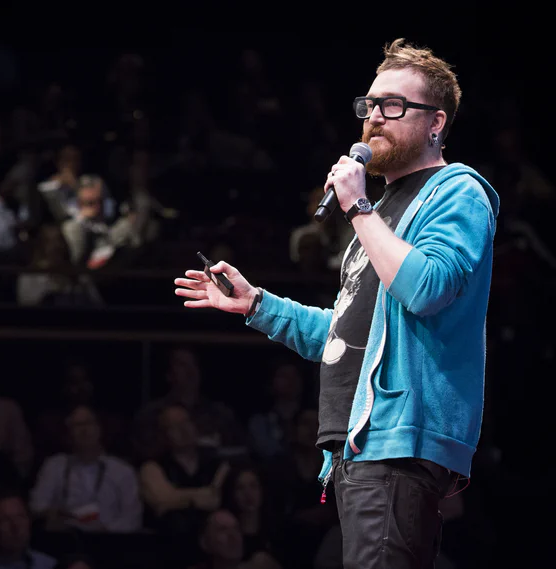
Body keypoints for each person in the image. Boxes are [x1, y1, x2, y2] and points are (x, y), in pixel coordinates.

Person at [174, 38, 500, 569]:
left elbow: (427, 289)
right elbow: (350, 336)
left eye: (394, 105)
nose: (374, 117)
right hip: (357, 445)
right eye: (370, 105)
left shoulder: (456, 190)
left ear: (436, 122)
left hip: (401, 441)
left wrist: (356, 205)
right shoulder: (377, 213)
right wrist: (256, 304)